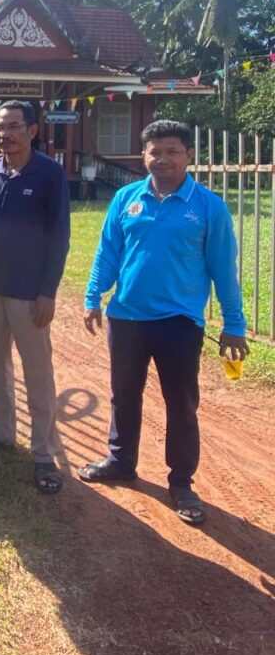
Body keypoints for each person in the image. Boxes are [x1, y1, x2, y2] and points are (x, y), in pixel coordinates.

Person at [81, 119, 249, 526]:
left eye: (172, 151)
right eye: (155, 152)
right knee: (124, 395)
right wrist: (93, 297)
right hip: (126, 317)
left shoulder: (207, 206)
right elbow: (108, 252)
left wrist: (234, 324)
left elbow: (224, 269)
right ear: (144, 156)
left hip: (179, 322)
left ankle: (182, 482)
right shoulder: (126, 198)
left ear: (189, 156)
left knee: (181, 402)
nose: (163, 159)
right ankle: (121, 461)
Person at [0, 100, 70, 495]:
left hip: (29, 293)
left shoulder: (50, 174)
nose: (4, 134)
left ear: (32, 130)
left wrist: (47, 292)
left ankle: (43, 453)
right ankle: (2, 431)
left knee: (37, 372)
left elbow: (59, 236)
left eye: (13, 126)